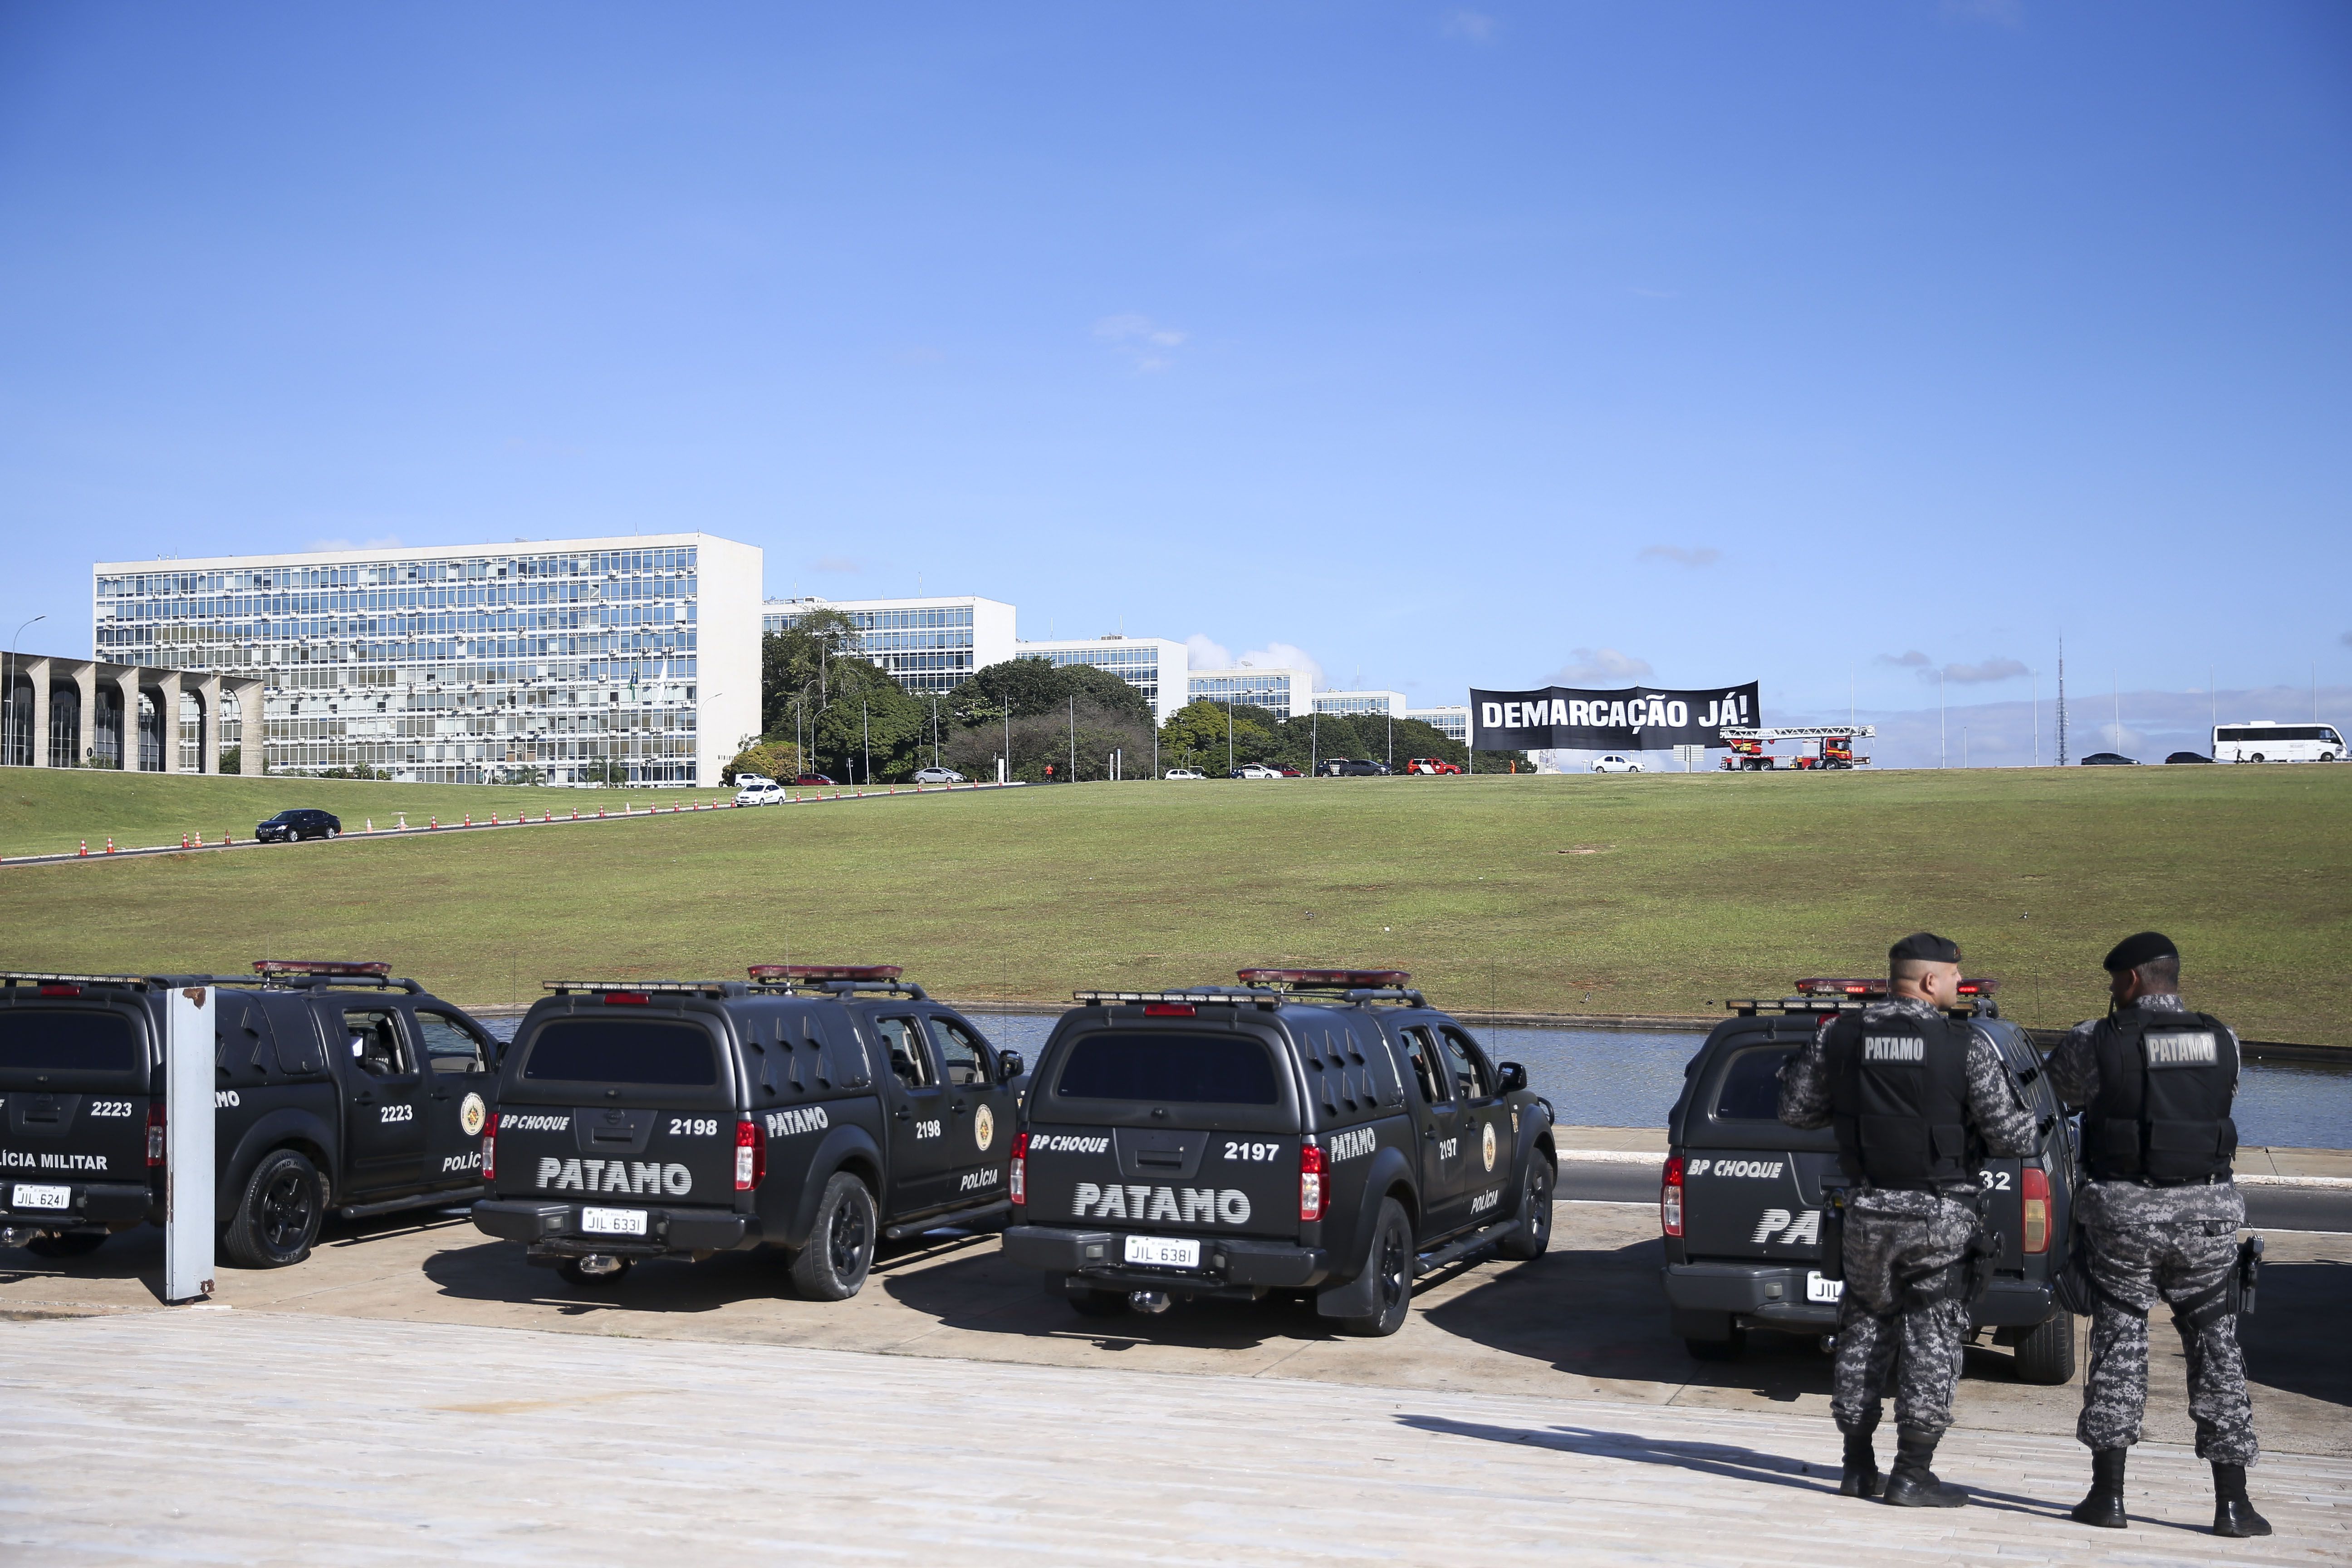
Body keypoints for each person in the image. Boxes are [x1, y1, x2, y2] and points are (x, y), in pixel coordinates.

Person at [1779, 932, 2040, 1507]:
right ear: (1930, 982)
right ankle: (1912, 1473)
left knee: (1863, 1329)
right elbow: (2014, 1136)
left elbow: (1796, 1111)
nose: (1957, 985)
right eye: (1953, 977)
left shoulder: (1839, 1037)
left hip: (1866, 1211)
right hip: (1939, 1217)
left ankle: (1856, 1467)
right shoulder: (1963, 1046)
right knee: (1933, 1338)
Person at [2043, 932, 2268, 1537]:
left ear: (2133, 981)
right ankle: (2233, 1506)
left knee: (2119, 1347)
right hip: (2207, 1216)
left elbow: (2059, 1092)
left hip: (2124, 1215)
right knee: (2217, 1351)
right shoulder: (2225, 1040)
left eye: (2116, 983)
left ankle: (2108, 1497)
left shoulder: (2096, 1039)